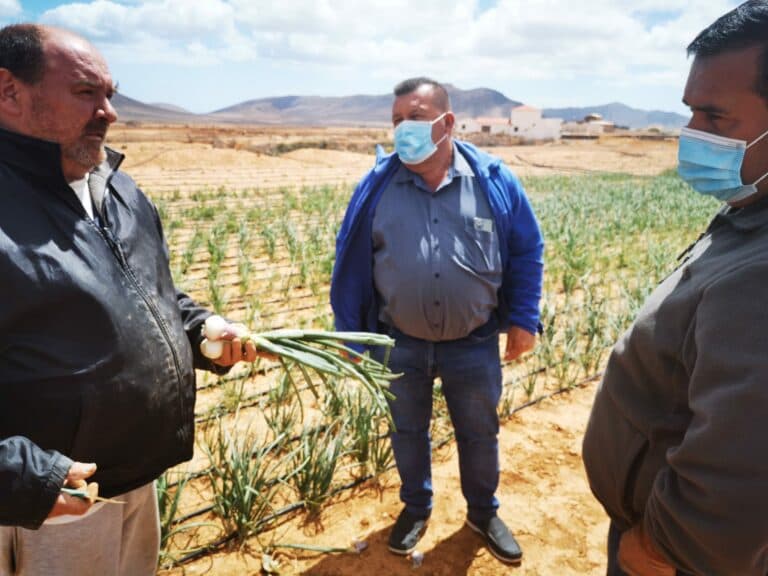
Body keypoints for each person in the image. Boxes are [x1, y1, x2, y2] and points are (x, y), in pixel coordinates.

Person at [0, 24, 261, 575]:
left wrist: (201, 329)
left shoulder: (115, 186)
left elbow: (151, 292)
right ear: (9, 91)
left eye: (110, 94)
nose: (109, 112)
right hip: (44, 508)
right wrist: (19, 479)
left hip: (132, 480)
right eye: (85, 93)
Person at [582, 2, 768, 574]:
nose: (689, 135)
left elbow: (746, 465)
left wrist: (666, 545)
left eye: (714, 118)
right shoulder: (749, 212)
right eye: (690, 112)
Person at [331, 77, 544, 565]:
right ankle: (416, 508)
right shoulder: (378, 184)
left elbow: (526, 249)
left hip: (473, 342)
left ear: (447, 122)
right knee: (407, 431)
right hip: (399, 340)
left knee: (479, 432)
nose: (404, 128)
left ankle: (483, 513)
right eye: (396, 120)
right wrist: (350, 332)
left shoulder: (492, 180)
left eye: (416, 117)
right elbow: (350, 260)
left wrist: (524, 318)